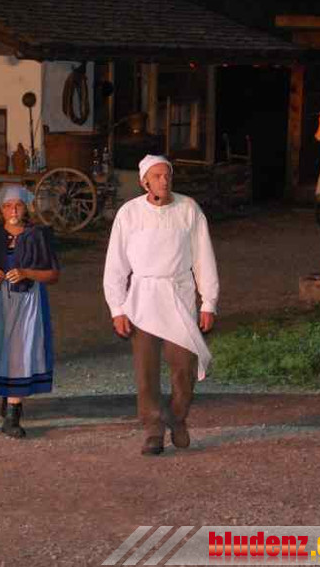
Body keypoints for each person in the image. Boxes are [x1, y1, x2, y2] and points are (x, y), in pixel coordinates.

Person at [103, 155, 219, 456]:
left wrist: (208, 302)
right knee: (146, 370)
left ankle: (177, 416)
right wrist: (117, 308)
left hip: (177, 294)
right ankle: (153, 429)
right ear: (144, 182)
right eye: (156, 176)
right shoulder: (129, 213)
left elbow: (203, 257)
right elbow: (116, 264)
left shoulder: (188, 209)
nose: (164, 181)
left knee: (184, 365)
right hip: (142, 298)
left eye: (167, 175)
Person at [0, 184, 60, 438]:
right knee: (0, 351)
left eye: (18, 205)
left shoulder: (37, 235)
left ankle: (12, 416)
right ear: (1, 209)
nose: (13, 210)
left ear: (26, 207)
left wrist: (27, 273)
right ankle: (8, 397)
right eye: (7, 206)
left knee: (18, 353)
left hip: (27, 302)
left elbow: (53, 274)